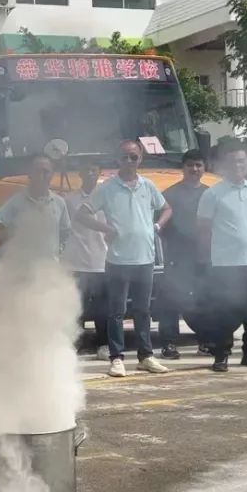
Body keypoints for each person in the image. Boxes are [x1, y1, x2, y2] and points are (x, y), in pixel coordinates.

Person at [75, 140, 172, 377]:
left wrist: (157, 226)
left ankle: (146, 356)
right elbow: (82, 214)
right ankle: (116, 358)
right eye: (125, 157)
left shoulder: (147, 185)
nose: (129, 161)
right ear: (117, 160)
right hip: (118, 260)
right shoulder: (107, 188)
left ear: (140, 159)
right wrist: (105, 228)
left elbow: (166, 208)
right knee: (116, 312)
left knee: (143, 311)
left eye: (134, 157)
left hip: (145, 258)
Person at [196, 140, 247, 372]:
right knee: (225, 311)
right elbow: (203, 229)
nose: (238, 165)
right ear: (224, 165)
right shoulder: (213, 193)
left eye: (241, 161)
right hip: (225, 263)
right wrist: (207, 258)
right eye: (232, 162)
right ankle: (221, 354)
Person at [54, 161, 107, 360]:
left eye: (94, 169)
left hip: (102, 260)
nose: (91, 173)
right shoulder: (69, 199)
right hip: (76, 261)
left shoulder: (108, 198)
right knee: (76, 307)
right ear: (81, 174)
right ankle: (74, 345)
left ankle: (103, 344)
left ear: (99, 172)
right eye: (87, 170)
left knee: (103, 308)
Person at [159, 149, 209, 359]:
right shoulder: (169, 195)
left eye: (198, 165)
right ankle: (169, 344)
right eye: (190, 165)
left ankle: (206, 341)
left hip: (205, 256)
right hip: (177, 256)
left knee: (204, 300)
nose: (194, 169)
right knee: (171, 299)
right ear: (183, 168)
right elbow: (160, 226)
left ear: (204, 168)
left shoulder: (211, 194)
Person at [0, 153, 72, 261]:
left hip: (50, 267)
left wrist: (57, 249)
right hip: (23, 267)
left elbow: (65, 232)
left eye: (46, 172)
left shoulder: (59, 203)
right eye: (38, 171)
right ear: (30, 174)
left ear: (52, 175)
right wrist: (13, 247)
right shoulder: (16, 202)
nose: (42, 176)